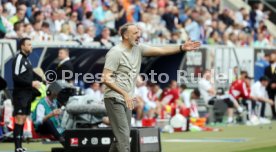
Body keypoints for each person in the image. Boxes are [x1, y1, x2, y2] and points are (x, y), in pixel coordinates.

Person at [102, 23, 200, 152]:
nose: (139, 35)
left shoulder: (138, 48)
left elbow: (161, 50)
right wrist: (124, 93)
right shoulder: (115, 52)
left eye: (139, 32)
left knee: (121, 137)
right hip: (115, 98)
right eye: (135, 33)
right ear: (125, 35)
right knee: (124, 137)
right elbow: (106, 77)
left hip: (127, 99)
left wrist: (181, 47)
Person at [12, 38, 41, 152]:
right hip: (20, 94)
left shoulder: (27, 60)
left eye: (31, 45)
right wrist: (31, 83)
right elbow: (15, 78)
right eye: (28, 45)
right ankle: (17, 147)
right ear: (22, 46)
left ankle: (20, 145)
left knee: (23, 119)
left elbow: (29, 75)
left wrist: (40, 80)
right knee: (19, 119)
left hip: (27, 94)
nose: (31, 47)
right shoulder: (19, 58)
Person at [264, 52, 276, 120]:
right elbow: (266, 77)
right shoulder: (267, 68)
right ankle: (274, 114)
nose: (271, 57)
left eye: (273, 56)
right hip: (270, 87)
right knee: (271, 101)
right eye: (271, 56)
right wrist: (271, 84)